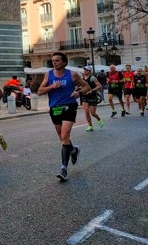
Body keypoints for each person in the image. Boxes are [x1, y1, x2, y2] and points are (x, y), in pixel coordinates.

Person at [37, 52, 90, 182]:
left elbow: (86, 87)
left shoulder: (72, 74)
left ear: (64, 62)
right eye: (53, 61)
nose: (54, 62)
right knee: (62, 138)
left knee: (65, 136)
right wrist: (51, 86)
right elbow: (39, 91)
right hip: (55, 108)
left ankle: (63, 169)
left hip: (69, 107)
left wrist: (78, 93)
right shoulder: (48, 74)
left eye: (57, 60)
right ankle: (73, 150)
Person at [80, 66, 103, 131]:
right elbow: (82, 86)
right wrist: (79, 88)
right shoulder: (82, 78)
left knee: (92, 113)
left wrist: (92, 90)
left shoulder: (93, 78)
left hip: (92, 97)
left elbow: (99, 86)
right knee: (86, 112)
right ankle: (90, 126)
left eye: (86, 70)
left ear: (89, 71)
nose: (85, 71)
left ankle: (99, 119)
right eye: (84, 70)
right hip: (85, 96)